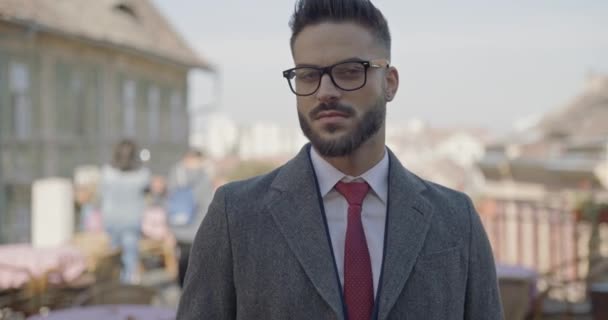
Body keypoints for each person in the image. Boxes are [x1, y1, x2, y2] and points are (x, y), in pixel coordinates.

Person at [177, 0, 503, 319]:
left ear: (389, 83)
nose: (325, 91)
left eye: (348, 72)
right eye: (307, 75)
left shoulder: (456, 219)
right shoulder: (236, 215)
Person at [99, 139, 150, 283]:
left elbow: (101, 193)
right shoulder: (142, 174)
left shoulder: (107, 172)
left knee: (113, 255)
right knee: (130, 258)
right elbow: (147, 192)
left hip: (111, 219)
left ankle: (112, 283)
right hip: (131, 220)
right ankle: (127, 288)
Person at [166, 149, 214, 287]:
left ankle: (182, 287)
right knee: (194, 260)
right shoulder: (204, 177)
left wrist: (168, 227)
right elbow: (206, 203)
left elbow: (169, 200)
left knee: (182, 259)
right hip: (196, 226)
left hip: (177, 225)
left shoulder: (175, 174)